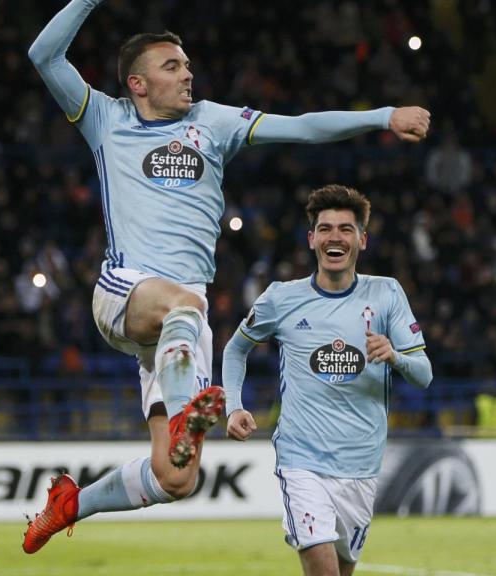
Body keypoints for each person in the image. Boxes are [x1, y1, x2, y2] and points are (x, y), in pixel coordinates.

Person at [24, 0, 431, 555]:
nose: (187, 73)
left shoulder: (212, 123)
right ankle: (189, 406)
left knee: (176, 479)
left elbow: (304, 128)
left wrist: (381, 116)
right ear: (138, 83)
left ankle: (74, 502)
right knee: (184, 309)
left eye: (188, 65)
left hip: (181, 329)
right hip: (126, 291)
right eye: (172, 66)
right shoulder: (105, 118)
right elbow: (44, 55)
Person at [222, 185, 432, 576]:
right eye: (326, 228)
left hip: (362, 466)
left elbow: (424, 375)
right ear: (312, 239)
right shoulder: (281, 298)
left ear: (362, 240)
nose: (335, 236)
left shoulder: (386, 294)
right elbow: (235, 349)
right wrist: (233, 406)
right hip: (301, 461)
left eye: (346, 229)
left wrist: (395, 355)